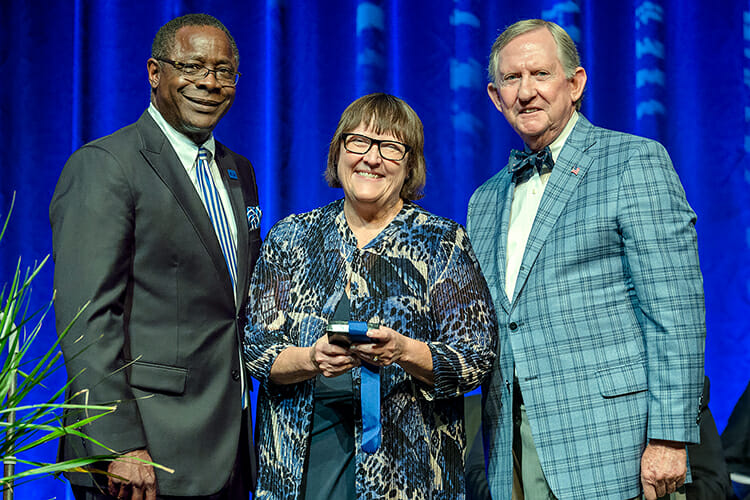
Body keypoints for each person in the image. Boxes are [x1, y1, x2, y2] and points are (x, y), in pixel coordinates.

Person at [467, 19, 705, 500]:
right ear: (495, 96)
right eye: (512, 79)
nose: (526, 91)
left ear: (575, 84)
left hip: (617, 446)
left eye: (541, 74)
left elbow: (675, 310)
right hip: (512, 446)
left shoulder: (632, 161)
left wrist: (669, 436)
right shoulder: (484, 199)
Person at [243, 92, 497, 499]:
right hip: (301, 466)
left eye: (391, 148)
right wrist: (311, 359)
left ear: (410, 164)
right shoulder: (291, 237)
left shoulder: (442, 243)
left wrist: (404, 350)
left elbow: (475, 358)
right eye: (358, 142)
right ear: (338, 151)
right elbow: (256, 346)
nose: (371, 158)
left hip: (409, 475)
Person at [50, 13, 260, 500]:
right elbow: (86, 319)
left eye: (224, 71)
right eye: (192, 67)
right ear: (154, 73)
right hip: (140, 456)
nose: (209, 83)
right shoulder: (106, 166)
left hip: (223, 450)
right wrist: (119, 444)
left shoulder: (239, 170)